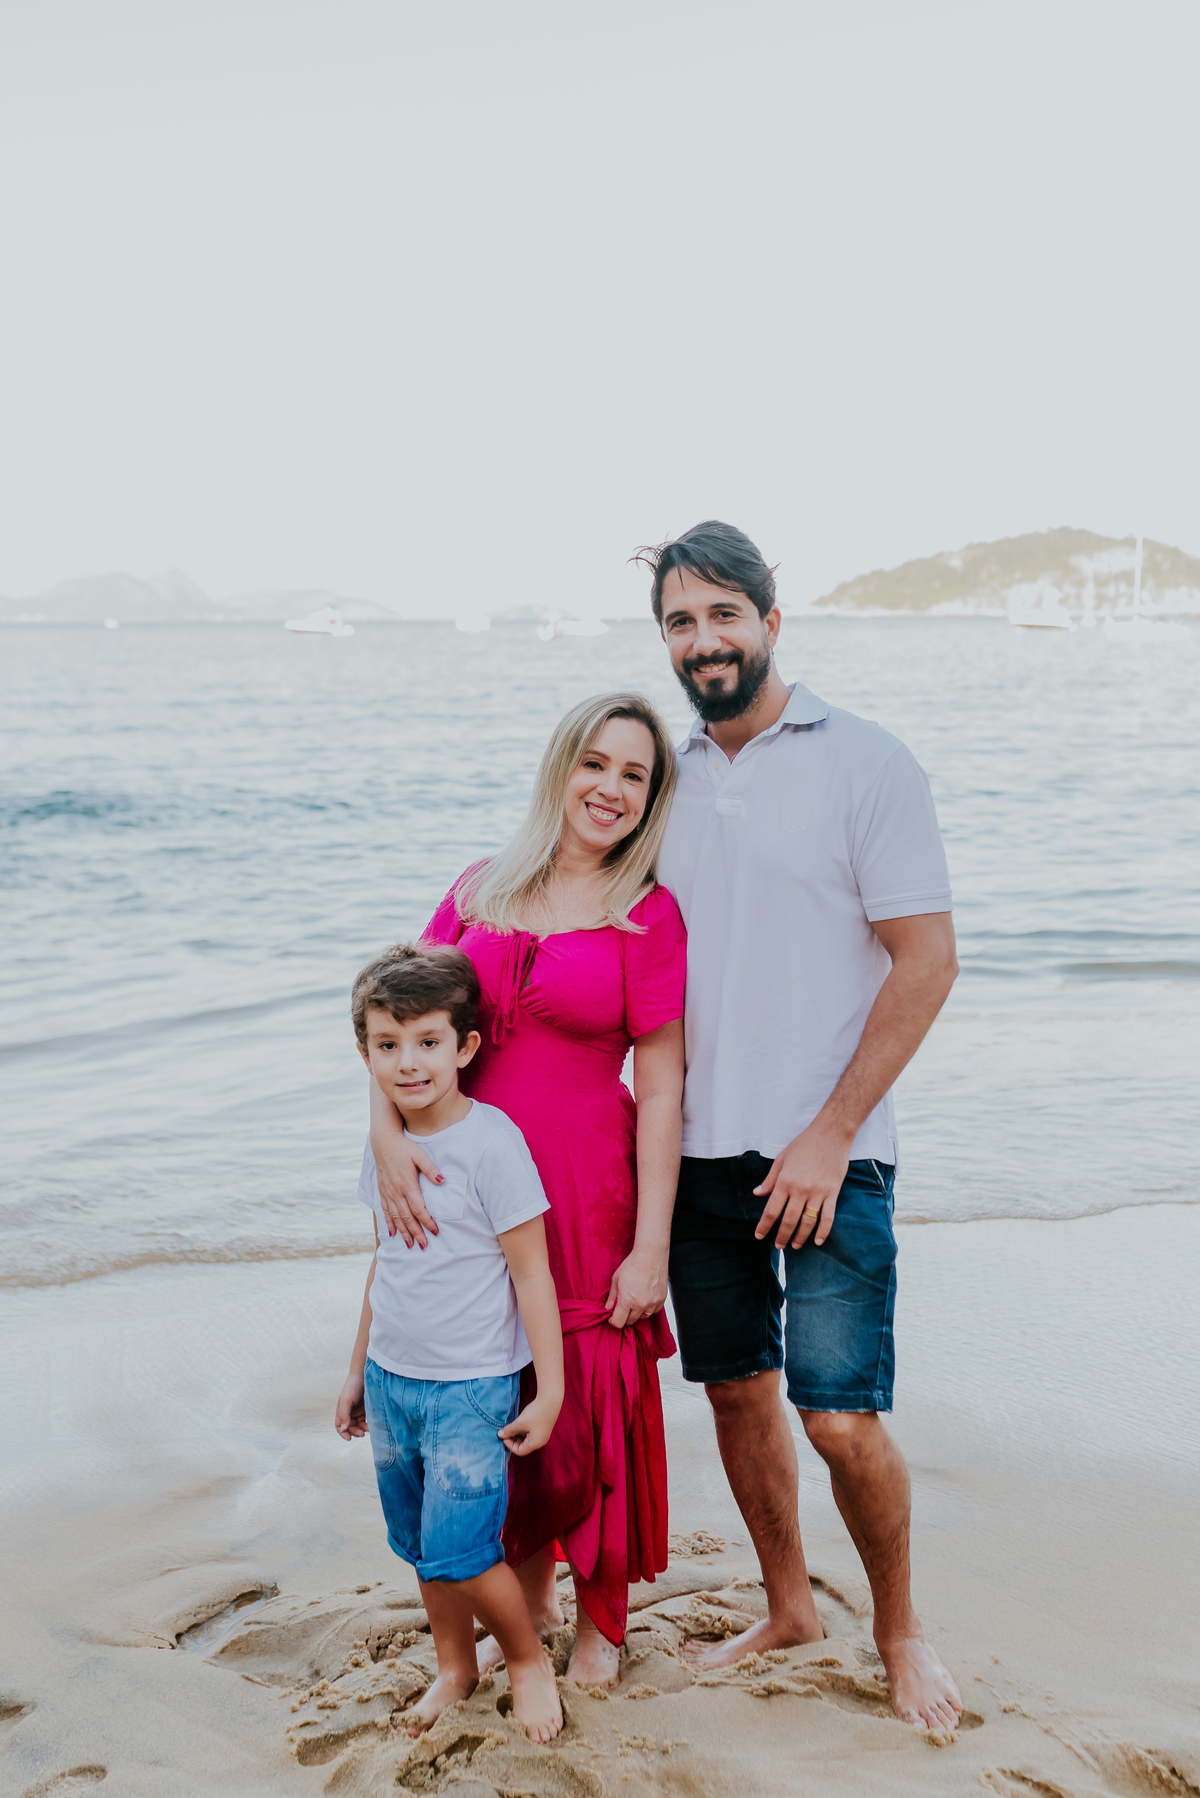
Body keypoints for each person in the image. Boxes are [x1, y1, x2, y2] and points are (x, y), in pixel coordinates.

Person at [641, 519, 966, 1733]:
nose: (704, 637)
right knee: (736, 1393)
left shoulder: (866, 762)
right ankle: (788, 1605)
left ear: (772, 623)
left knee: (837, 1411)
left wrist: (831, 1131)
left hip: (833, 1151)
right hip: (697, 1152)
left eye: (725, 613)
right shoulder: (666, 779)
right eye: (681, 620)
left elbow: (925, 961)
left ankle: (899, 1628)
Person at [367, 693, 686, 1689]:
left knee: (589, 1391)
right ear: (562, 766)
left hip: (590, 1184)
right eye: (596, 763)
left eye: (634, 774)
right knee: (487, 1377)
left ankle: (602, 1615)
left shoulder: (649, 914)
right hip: (465, 1182)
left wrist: (653, 1248)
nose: (610, 788)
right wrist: (384, 1140)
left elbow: (665, 1082)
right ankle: (530, 1592)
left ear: (651, 798)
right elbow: (394, 1017)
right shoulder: (478, 888)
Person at [334, 942, 564, 1742]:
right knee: (421, 1548)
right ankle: (455, 1666)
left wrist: (554, 1389)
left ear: (465, 1047)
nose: (408, 1063)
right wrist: (358, 1368)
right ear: (364, 1053)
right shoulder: (385, 1150)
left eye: (427, 1042)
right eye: (387, 1046)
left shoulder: (491, 1145)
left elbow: (532, 1274)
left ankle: (528, 1660)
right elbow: (384, 1260)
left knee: (463, 1550)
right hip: (394, 1378)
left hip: (471, 1386)